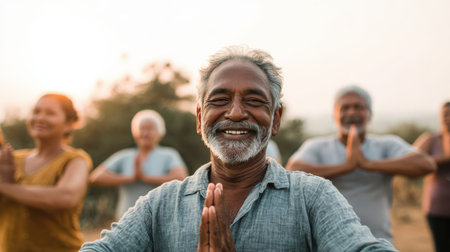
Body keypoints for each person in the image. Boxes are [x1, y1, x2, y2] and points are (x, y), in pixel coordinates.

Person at [80, 46, 397, 251]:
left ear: (276, 120)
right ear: (200, 117)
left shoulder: (313, 197)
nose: (235, 113)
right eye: (219, 100)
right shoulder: (160, 205)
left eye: (254, 101)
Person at [286, 85, 436, 243]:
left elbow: (426, 164)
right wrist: (346, 166)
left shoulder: (386, 144)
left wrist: (367, 164)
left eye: (358, 107)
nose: (351, 112)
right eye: (345, 108)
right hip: (328, 243)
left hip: (377, 242)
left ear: (369, 114)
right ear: (334, 115)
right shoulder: (317, 146)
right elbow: (293, 170)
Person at [0, 93, 92, 252]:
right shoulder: (11, 159)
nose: (40, 118)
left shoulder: (75, 160)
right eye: (36, 111)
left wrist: (5, 186)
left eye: (50, 113)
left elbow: (65, 197)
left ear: (69, 124)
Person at [89, 109, 188, 219]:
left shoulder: (169, 154)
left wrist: (145, 178)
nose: (145, 133)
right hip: (126, 219)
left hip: (160, 219)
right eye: (141, 129)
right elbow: (95, 177)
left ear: (159, 132)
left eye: (149, 129)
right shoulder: (125, 155)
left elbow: (181, 177)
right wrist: (129, 179)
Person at [413, 101, 450, 252]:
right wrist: (445, 158)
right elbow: (411, 160)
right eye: (445, 114)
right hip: (437, 208)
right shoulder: (430, 139)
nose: (449, 118)